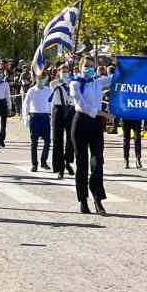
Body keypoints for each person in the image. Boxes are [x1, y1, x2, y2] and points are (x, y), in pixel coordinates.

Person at [70, 56, 114, 215]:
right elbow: (82, 105)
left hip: (96, 125)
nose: (89, 69)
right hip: (81, 123)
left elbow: (115, 78)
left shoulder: (97, 82)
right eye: (86, 66)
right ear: (80, 68)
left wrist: (128, 65)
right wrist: (102, 113)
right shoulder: (75, 84)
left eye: (91, 66)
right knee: (82, 164)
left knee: (97, 162)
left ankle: (97, 199)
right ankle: (83, 200)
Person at [23, 73, 53, 172]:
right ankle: (34, 164)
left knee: (47, 141)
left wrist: (52, 117)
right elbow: (26, 104)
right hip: (35, 117)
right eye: (40, 78)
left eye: (44, 78)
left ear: (46, 79)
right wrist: (26, 118)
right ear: (36, 78)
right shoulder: (31, 90)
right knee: (34, 142)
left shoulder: (49, 90)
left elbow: (52, 104)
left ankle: (44, 161)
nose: (42, 80)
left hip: (45, 117)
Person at [50, 64, 75, 178]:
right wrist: (62, 80)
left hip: (70, 110)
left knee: (71, 138)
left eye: (66, 71)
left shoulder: (73, 82)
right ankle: (60, 167)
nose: (65, 73)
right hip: (58, 110)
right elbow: (55, 85)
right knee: (57, 139)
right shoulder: (54, 83)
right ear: (58, 72)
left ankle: (67, 162)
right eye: (62, 71)